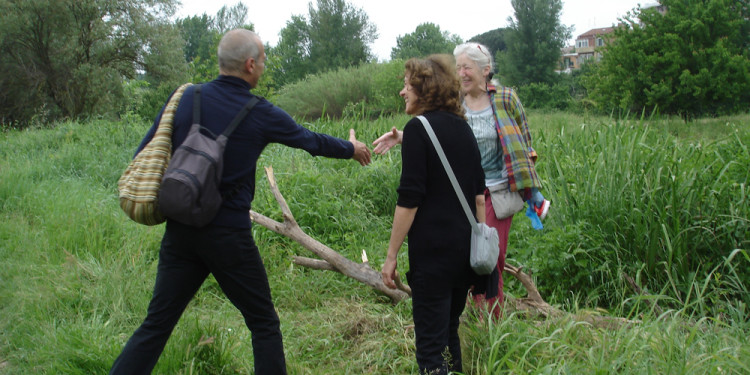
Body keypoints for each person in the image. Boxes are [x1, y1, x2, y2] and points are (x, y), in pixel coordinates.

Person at [110, 29, 371, 375]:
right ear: (250, 65)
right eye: (262, 61)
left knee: (156, 324)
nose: (262, 67)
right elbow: (310, 140)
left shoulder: (186, 97)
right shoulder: (258, 111)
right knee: (263, 322)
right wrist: (351, 149)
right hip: (227, 235)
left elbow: (149, 150)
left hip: (181, 231)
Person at [374, 42, 549, 318]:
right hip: (464, 191)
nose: (462, 73)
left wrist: (531, 189)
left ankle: (489, 322)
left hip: (497, 191)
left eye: (468, 67)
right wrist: (403, 138)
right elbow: (443, 137)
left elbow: (524, 143)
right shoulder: (456, 101)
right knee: (466, 257)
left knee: (489, 257)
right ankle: (467, 316)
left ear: (485, 70)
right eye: (459, 68)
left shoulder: (505, 99)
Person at [380, 54, 487, 375]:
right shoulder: (463, 129)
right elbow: (479, 198)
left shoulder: (417, 129)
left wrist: (391, 255)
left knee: (430, 353)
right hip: (465, 256)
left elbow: (409, 199)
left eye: (406, 84)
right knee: (449, 334)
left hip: (433, 258)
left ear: (423, 88)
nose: (402, 91)